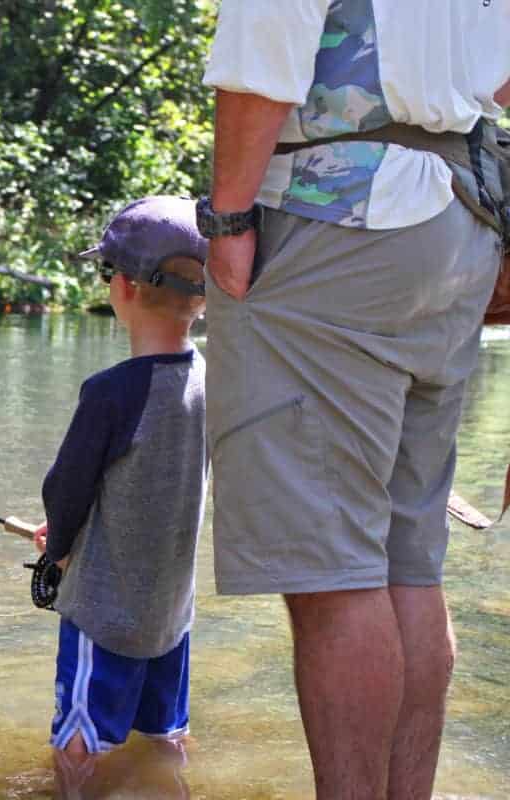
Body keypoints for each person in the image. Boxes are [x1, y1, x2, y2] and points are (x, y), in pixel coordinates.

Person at [200, 4, 510, 798]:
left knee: (334, 571)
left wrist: (229, 216)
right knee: (407, 560)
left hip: (332, 218)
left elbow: (265, 49)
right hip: (460, 225)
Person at [33, 195, 209, 796]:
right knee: (165, 740)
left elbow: (66, 489)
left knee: (77, 742)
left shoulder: (110, 392)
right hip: (171, 615)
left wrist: (59, 549)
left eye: (107, 274)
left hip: (103, 616)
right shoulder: (210, 380)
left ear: (127, 288)